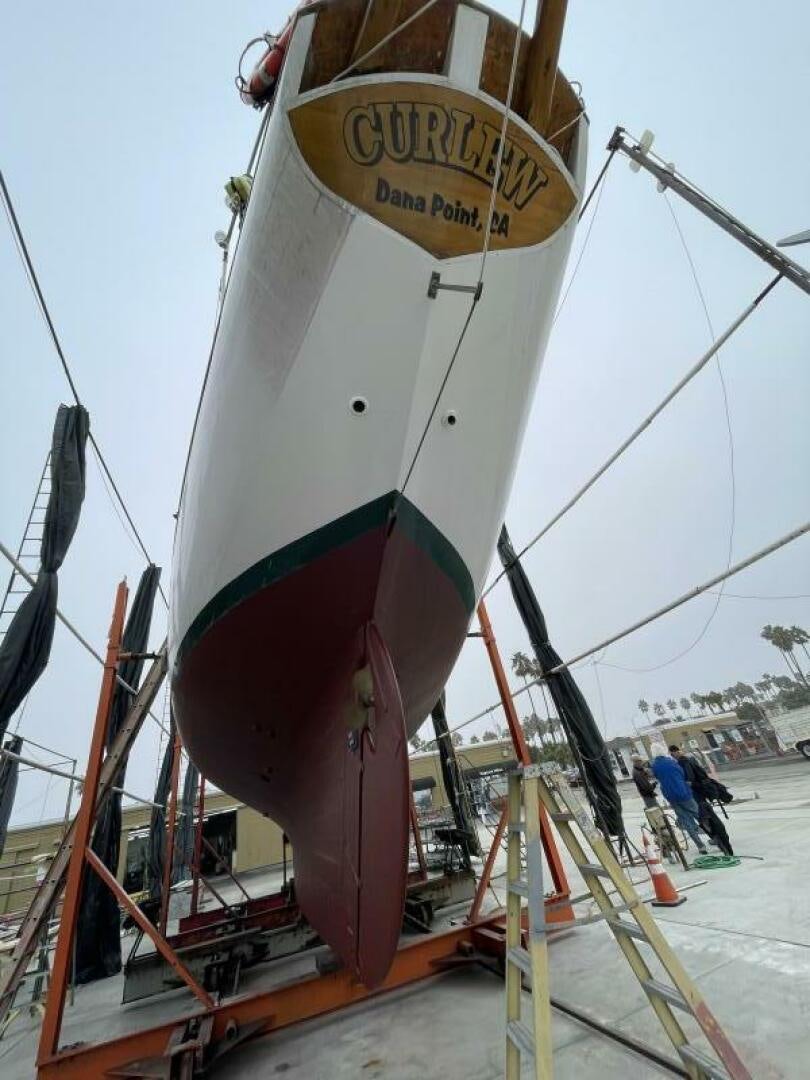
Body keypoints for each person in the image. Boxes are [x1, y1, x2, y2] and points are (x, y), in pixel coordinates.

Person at [669, 746, 734, 856]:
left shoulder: (683, 762)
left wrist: (686, 784)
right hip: (700, 792)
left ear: (675, 752)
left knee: (705, 819)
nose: (672, 756)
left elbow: (689, 779)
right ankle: (719, 840)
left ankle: (718, 840)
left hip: (695, 795)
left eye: (672, 754)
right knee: (708, 817)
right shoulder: (689, 759)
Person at [650, 746, 709, 855]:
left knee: (686, 821)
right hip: (684, 793)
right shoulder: (672, 762)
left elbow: (657, 777)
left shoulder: (654, 766)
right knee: (700, 816)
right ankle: (715, 837)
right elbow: (682, 774)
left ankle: (701, 846)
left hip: (671, 796)